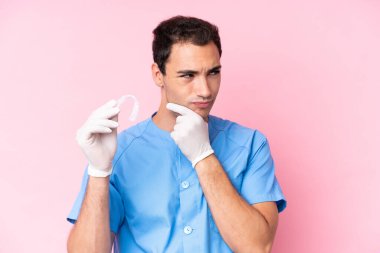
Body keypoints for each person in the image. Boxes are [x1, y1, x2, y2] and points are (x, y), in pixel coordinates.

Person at [67, 15, 287, 253]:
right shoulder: (118, 152)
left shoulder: (250, 145)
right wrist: (99, 173)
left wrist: (203, 157)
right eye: (188, 75)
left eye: (213, 72)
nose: (205, 90)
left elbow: (257, 248)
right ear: (158, 74)